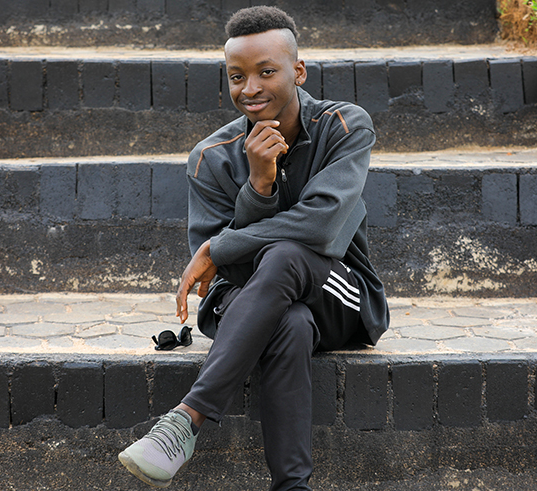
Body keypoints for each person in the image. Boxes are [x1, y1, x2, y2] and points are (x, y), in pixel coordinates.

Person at [119, 6, 389, 490]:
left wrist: (219, 246)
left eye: (267, 72)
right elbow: (231, 273)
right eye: (237, 76)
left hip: (338, 292)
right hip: (242, 298)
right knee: (289, 321)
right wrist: (259, 186)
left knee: (286, 257)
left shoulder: (344, 126)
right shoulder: (210, 157)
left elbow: (324, 228)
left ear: (298, 71)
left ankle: (186, 419)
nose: (250, 88)